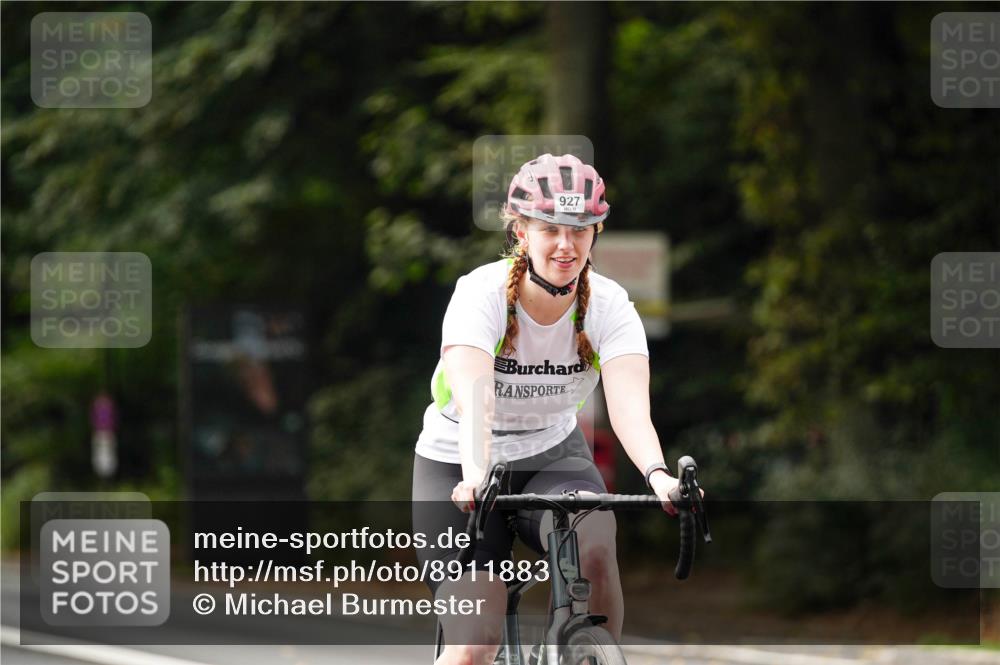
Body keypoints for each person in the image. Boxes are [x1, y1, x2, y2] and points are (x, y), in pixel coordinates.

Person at [412, 153, 682, 665]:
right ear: (521, 231)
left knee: (597, 545)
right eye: (551, 229)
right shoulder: (480, 294)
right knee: (474, 640)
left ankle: (588, 654)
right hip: (458, 460)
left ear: (596, 232)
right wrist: (475, 475)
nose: (566, 245)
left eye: (580, 231)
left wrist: (659, 476)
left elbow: (628, 406)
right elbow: (475, 398)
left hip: (551, 456)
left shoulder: (609, 305)